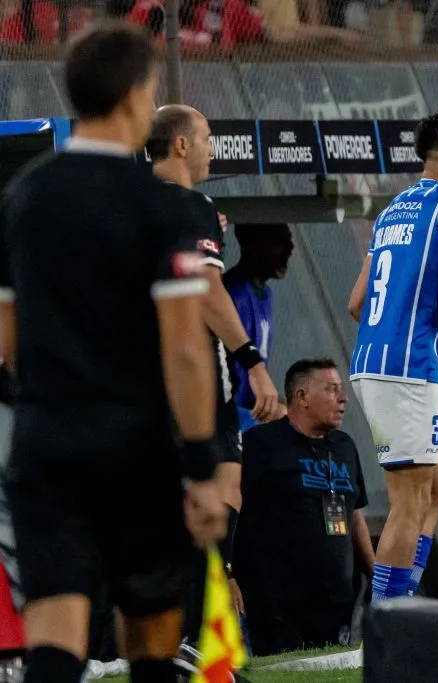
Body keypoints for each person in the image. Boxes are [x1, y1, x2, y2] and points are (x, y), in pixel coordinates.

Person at [0, 21, 227, 683]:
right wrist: (201, 462)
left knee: (56, 635)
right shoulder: (163, 208)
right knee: (151, 636)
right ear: (133, 96)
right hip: (138, 447)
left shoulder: (21, 201)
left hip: (46, 444)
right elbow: (186, 350)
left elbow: (5, 345)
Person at [145, 103, 284, 647]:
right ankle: (194, 642)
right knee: (223, 490)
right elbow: (206, 289)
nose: (211, 149)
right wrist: (252, 361)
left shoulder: (127, 202)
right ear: (180, 145)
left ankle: (172, 637)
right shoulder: (192, 204)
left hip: (134, 376)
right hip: (193, 372)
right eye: (205, 138)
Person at [346, 111, 438, 602]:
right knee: (408, 502)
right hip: (408, 370)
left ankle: (403, 601)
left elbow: (356, 304)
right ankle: (389, 625)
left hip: (374, 363)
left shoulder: (393, 210)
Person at [232, 358, 374, 655]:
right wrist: (227, 573)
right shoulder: (261, 443)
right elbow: (232, 506)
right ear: (302, 397)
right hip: (277, 606)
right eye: (332, 389)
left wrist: (376, 575)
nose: (343, 398)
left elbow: (355, 514)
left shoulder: (344, 446)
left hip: (337, 604)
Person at [223, 223, 294, 434]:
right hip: (231, 419)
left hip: (248, 415)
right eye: (280, 241)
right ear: (253, 244)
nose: (290, 248)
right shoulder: (233, 295)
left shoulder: (265, 294)